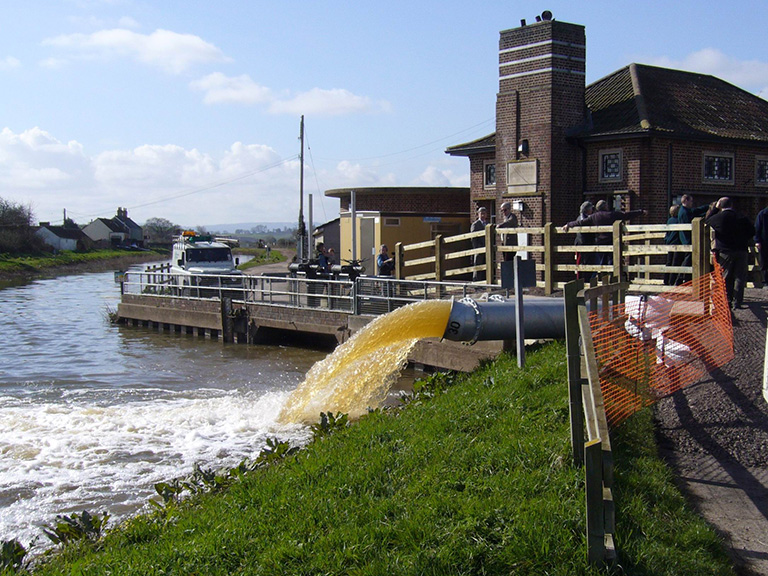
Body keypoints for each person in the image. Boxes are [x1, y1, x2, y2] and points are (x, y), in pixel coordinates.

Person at [562, 199, 646, 265]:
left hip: (599, 243)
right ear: (605, 206)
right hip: (611, 242)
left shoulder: (594, 217)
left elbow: (580, 223)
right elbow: (626, 215)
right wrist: (641, 212)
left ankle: (602, 280)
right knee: (612, 262)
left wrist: (568, 224)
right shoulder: (612, 214)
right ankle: (611, 280)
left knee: (601, 263)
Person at [706, 197, 755, 309]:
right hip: (741, 250)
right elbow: (752, 231)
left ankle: (726, 301)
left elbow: (706, 221)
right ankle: (737, 302)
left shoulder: (718, 218)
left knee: (726, 276)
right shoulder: (741, 217)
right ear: (732, 205)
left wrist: (714, 209)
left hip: (725, 251)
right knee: (740, 277)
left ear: (720, 206)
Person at [675, 194, 710, 285]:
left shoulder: (684, 211)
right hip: (688, 239)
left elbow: (695, 211)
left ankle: (686, 279)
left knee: (688, 260)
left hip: (686, 239)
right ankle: (680, 279)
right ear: (686, 201)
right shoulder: (685, 212)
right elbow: (693, 215)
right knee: (687, 260)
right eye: (691, 201)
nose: (692, 203)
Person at [573, 201, 595, 280]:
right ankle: (583, 280)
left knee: (583, 263)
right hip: (583, 243)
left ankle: (584, 279)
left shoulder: (580, 217)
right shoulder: (584, 219)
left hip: (581, 243)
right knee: (582, 263)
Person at [470, 206, 489, 280]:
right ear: (478, 214)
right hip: (479, 248)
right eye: (482, 213)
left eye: (484, 213)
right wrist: (477, 248)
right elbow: (473, 238)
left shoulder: (487, 224)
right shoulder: (475, 224)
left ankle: (484, 282)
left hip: (486, 248)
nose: (483, 215)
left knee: (485, 266)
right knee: (478, 266)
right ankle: (476, 283)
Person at [664, 204, 681, 286]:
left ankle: (666, 280)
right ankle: (672, 281)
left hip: (669, 243)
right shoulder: (678, 220)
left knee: (669, 262)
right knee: (675, 262)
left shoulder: (669, 220)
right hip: (676, 243)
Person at [754, 204, 768, 287]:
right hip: (765, 241)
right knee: (764, 262)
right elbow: (757, 228)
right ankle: (765, 280)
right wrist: (757, 241)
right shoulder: (763, 214)